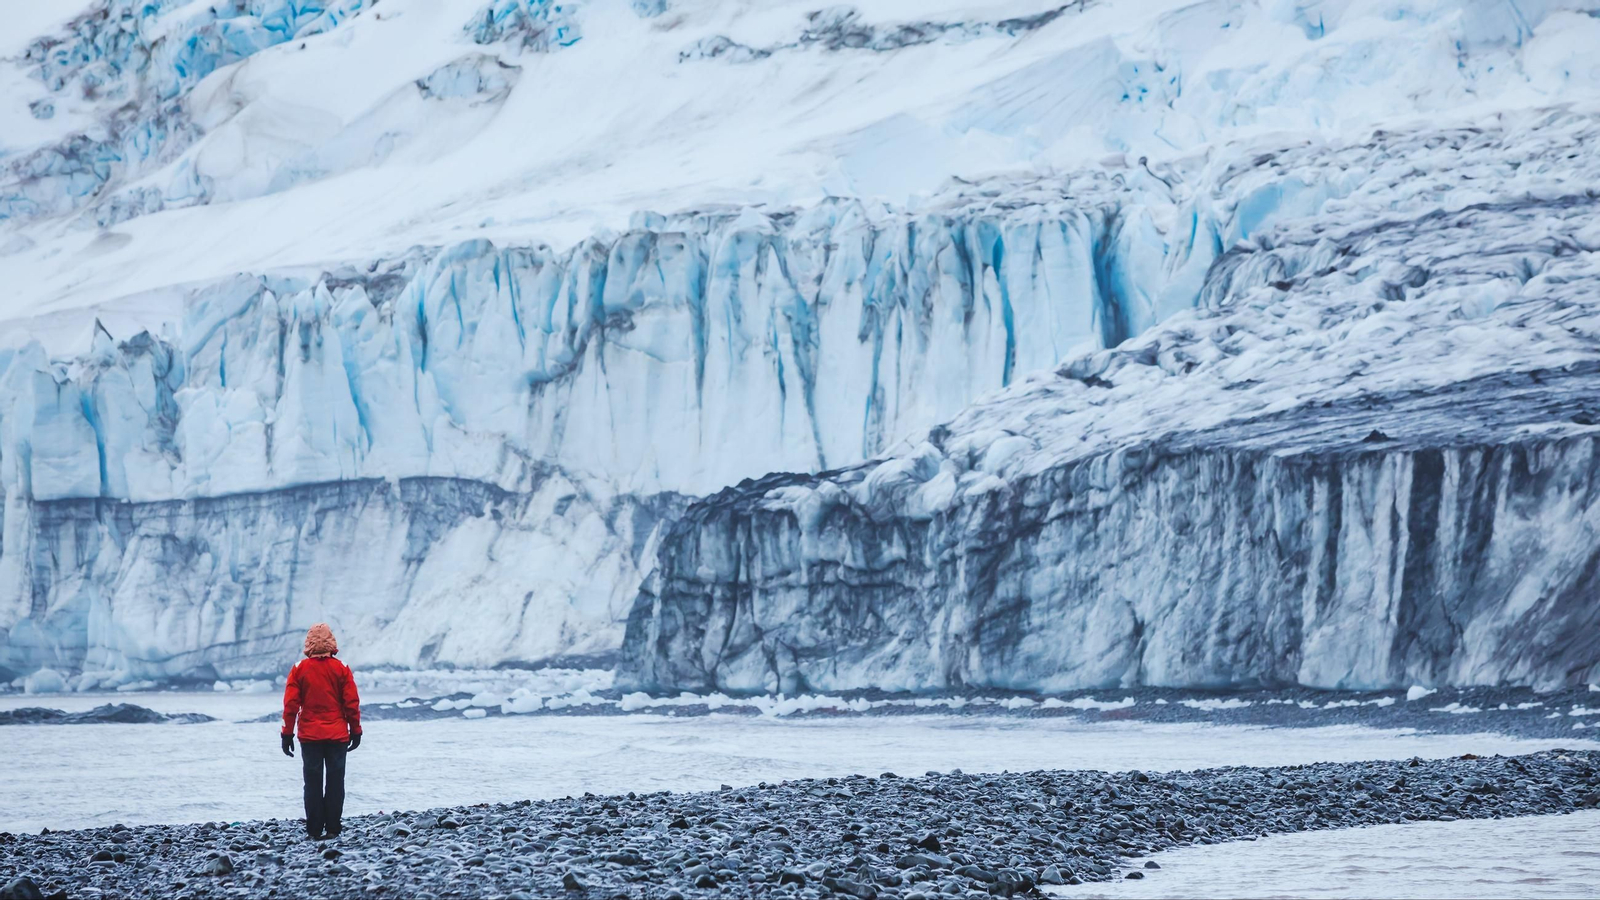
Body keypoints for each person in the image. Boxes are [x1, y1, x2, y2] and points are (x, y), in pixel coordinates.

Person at [281, 623, 363, 840]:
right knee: (336, 782)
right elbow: (351, 703)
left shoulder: (299, 669)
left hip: (309, 735)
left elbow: (290, 705)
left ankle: (314, 830)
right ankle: (333, 828)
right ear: (331, 642)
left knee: (312, 782)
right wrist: (356, 730)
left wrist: (286, 733)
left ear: (308, 642)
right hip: (337, 735)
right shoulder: (341, 668)